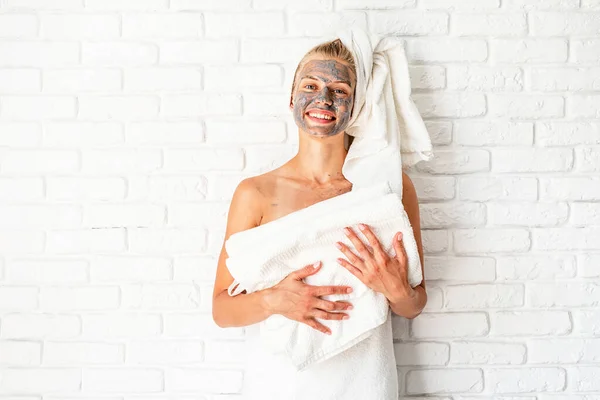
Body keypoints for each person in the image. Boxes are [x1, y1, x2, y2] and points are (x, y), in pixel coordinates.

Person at [212, 37, 427, 399]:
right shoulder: (256, 193)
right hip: (280, 383)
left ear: (356, 106)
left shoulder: (388, 185)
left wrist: (396, 289)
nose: (323, 99)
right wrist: (272, 300)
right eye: (310, 86)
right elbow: (221, 309)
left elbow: (414, 305)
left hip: (364, 381)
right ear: (292, 98)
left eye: (339, 89)